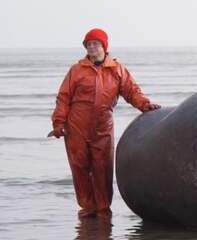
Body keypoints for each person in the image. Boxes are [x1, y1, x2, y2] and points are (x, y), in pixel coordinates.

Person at [51, 28, 160, 218]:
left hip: (103, 126)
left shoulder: (117, 69)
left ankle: (103, 209)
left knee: (103, 168)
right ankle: (87, 208)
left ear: (104, 46)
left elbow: (131, 91)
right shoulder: (77, 70)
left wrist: (145, 105)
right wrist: (59, 122)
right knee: (80, 168)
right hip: (77, 124)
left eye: (95, 43)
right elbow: (64, 97)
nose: (92, 47)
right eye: (88, 44)